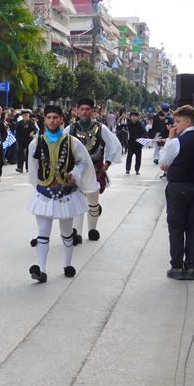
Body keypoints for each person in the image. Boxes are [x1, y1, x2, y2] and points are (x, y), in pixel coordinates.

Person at [27, 105, 98, 282]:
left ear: (61, 120)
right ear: (44, 120)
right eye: (49, 117)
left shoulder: (73, 142)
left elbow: (84, 162)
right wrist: (39, 187)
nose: (52, 121)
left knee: (67, 231)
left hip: (66, 194)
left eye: (55, 117)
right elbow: (33, 168)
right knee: (43, 231)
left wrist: (75, 173)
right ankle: (41, 270)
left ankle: (67, 264)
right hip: (44, 193)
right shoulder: (35, 143)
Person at [159, 105, 194, 280]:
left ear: (188, 122)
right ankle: (190, 268)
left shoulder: (177, 141)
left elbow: (163, 163)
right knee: (193, 228)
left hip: (178, 187)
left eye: (178, 121)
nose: (175, 125)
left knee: (176, 227)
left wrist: (170, 139)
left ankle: (176, 266)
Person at [65, 97, 122, 244]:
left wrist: (108, 162)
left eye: (87, 109)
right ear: (77, 111)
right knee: (78, 202)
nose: (84, 112)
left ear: (92, 111)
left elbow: (114, 145)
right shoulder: (70, 129)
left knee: (93, 202)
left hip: (95, 171)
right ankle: (76, 233)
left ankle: (92, 230)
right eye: (82, 109)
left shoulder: (101, 128)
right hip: (76, 172)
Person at [125, 110, 147, 175]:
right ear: (130, 117)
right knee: (129, 157)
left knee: (138, 158)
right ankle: (127, 169)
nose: (134, 117)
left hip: (138, 144)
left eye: (135, 116)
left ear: (137, 117)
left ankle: (137, 170)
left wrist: (141, 140)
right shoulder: (128, 124)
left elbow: (145, 133)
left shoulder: (140, 124)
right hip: (131, 143)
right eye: (132, 116)